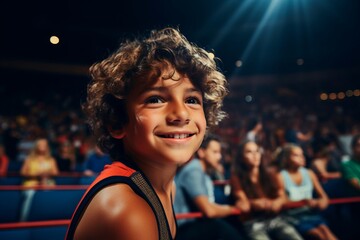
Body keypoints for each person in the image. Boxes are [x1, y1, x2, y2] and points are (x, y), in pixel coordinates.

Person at [66, 27, 228, 240]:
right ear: (117, 122)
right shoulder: (128, 209)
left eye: (191, 100)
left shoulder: (164, 187)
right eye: (155, 100)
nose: (180, 114)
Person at [174, 134, 243, 240]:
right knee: (219, 227)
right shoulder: (194, 170)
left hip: (193, 225)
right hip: (182, 228)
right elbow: (209, 211)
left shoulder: (203, 172)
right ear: (202, 152)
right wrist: (234, 209)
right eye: (215, 152)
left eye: (219, 152)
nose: (219, 157)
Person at [231, 140, 303, 240]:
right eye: (249, 152)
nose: (255, 155)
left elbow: (283, 196)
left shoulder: (270, 174)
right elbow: (244, 202)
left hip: (275, 219)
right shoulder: (236, 178)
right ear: (241, 157)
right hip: (254, 223)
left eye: (257, 151)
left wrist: (277, 202)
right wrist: (255, 203)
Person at [277, 143, 338, 240]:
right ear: (287, 158)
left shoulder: (309, 173)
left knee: (326, 231)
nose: (302, 158)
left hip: (311, 214)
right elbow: (282, 202)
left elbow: (324, 197)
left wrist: (321, 203)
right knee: (319, 235)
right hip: (293, 217)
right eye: (296, 155)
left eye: (302, 155)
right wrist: (304, 202)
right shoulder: (281, 176)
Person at [19, 138, 59, 221]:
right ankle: (23, 220)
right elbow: (22, 173)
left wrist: (46, 174)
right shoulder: (29, 159)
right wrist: (36, 175)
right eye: (40, 144)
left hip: (47, 184)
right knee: (30, 195)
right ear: (36, 146)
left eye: (44, 145)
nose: (42, 146)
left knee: (51, 196)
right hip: (31, 185)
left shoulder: (51, 160)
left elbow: (56, 173)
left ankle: (48, 219)